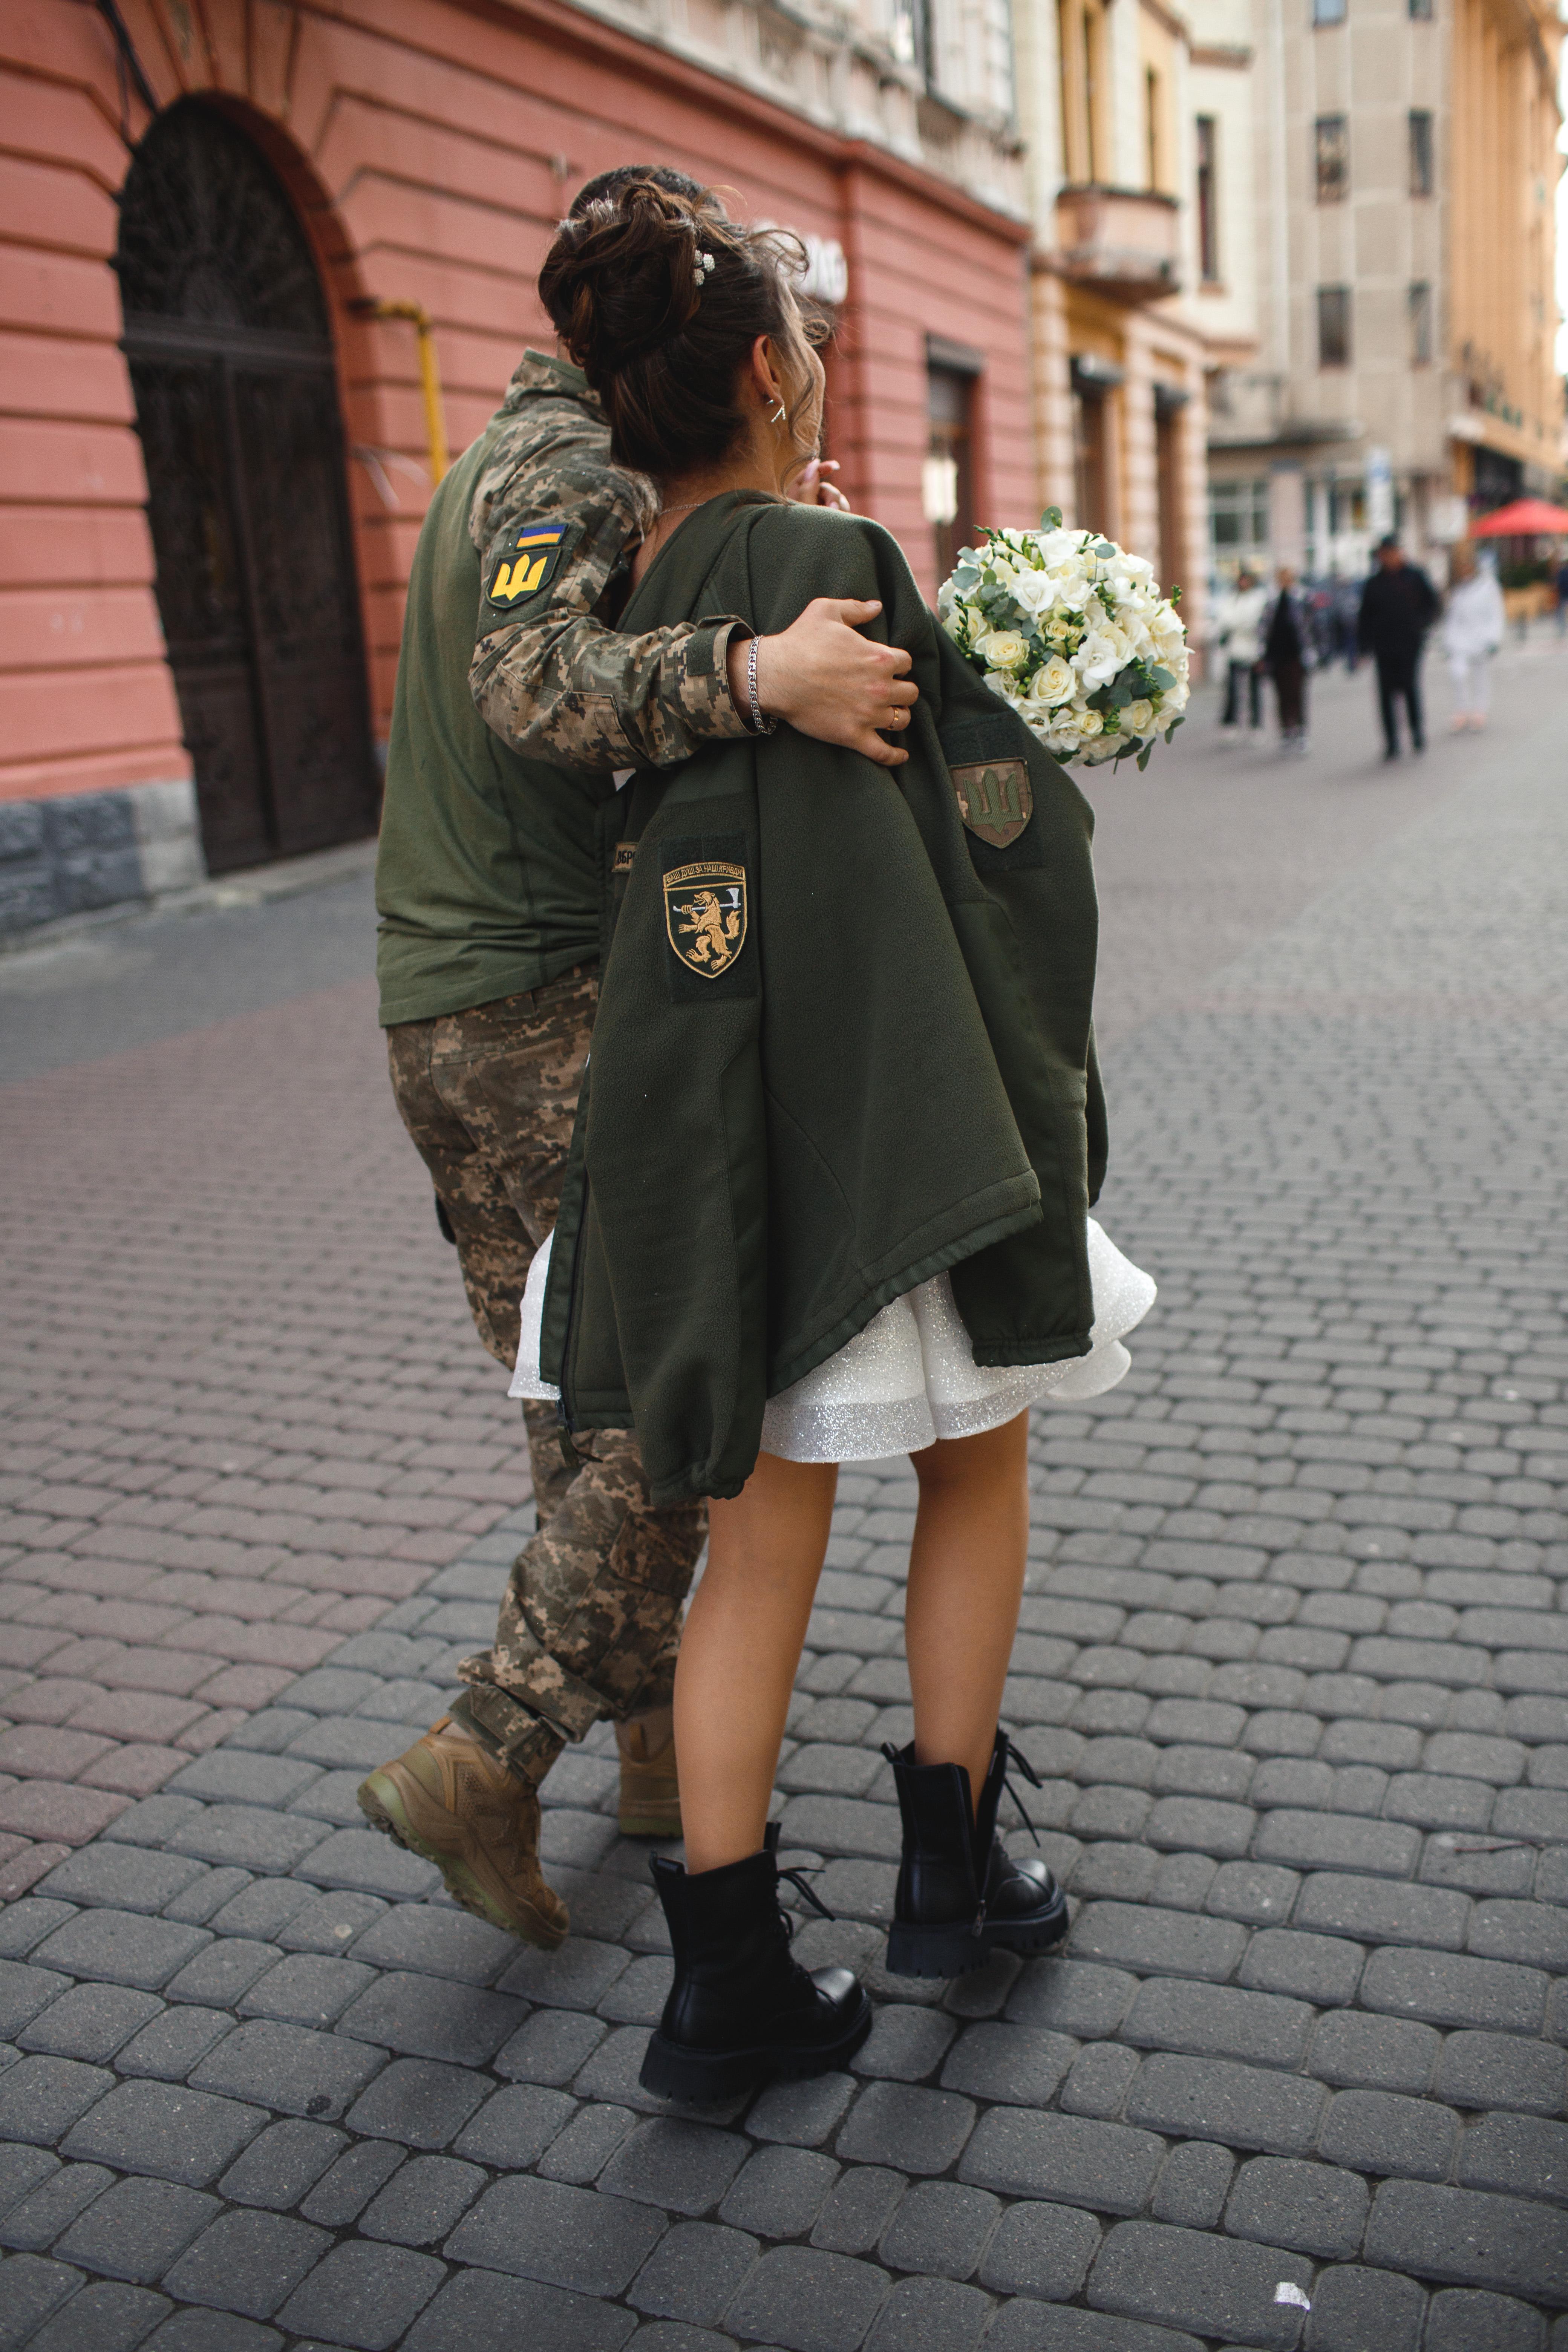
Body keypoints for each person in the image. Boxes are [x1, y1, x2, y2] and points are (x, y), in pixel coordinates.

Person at [514, 184, 1156, 2099]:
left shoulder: (613, 597)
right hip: (884, 1132)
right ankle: (952, 1883)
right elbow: (981, 845)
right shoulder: (836, 551)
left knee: (751, 1554)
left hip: (704, 1142)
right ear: (780, 371)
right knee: (977, 1470)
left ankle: (725, 1985)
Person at [357, 165, 921, 1953]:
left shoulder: (541, 453)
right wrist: (754, 666)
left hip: (465, 991)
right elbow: (531, 684)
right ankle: (487, 1744)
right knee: (671, 1388)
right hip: (527, 995)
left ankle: (665, 1760)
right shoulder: (561, 461)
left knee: (582, 1388)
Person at [1357, 534, 1439, 761]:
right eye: (1386, 554)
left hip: (1410, 643)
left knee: (1410, 689)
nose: (1391, 558)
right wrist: (1364, 646)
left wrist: (1421, 625)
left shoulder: (1414, 577)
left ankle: (1417, 734)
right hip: (1384, 646)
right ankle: (1392, 742)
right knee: (1386, 694)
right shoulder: (1374, 584)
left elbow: (1432, 603)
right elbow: (1365, 617)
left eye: (1394, 553)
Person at [1441, 544, 1504, 731]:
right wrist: (1448, 641)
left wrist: (1494, 639)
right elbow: (1452, 618)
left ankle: (1479, 711)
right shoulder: (1458, 590)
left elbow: (1497, 614)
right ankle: (1462, 710)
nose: (1464, 571)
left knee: (1480, 677)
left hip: (1481, 639)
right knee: (1458, 674)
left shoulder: (1488, 586)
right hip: (1460, 640)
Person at [1213, 567, 1268, 736]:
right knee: (1232, 690)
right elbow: (1225, 620)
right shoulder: (1232, 598)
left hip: (1253, 651)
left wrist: (1238, 622)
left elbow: (1253, 621)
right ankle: (1231, 723)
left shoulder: (1259, 598)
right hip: (1235, 650)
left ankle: (1256, 725)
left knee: (1254, 690)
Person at [1262, 565, 1310, 754]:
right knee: (1281, 696)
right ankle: (1286, 731)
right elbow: (1264, 630)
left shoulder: (1301, 600)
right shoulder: (1272, 603)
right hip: (1278, 657)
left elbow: (1312, 627)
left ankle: (1301, 731)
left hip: (1297, 656)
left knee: (1297, 694)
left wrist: (1315, 651)